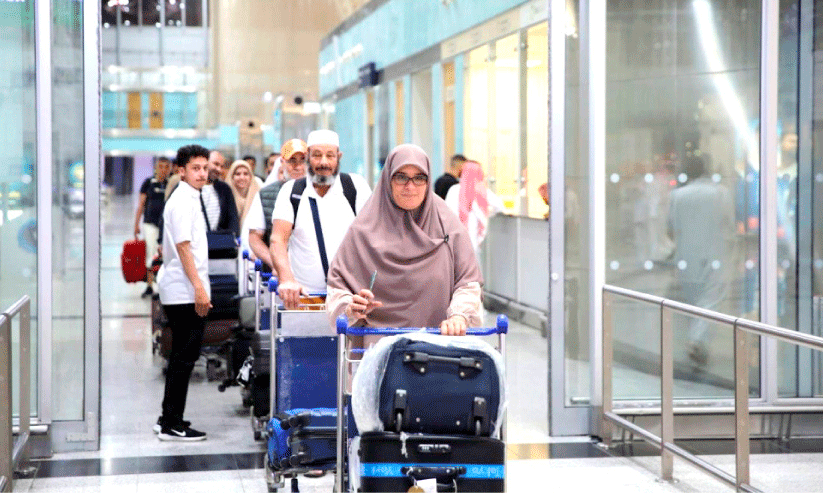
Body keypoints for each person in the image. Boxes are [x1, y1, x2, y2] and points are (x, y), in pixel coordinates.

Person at [326, 144, 483, 336]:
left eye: (419, 178)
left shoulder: (448, 226)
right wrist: (350, 307)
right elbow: (337, 288)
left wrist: (459, 316)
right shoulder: (363, 231)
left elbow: (468, 283)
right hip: (377, 349)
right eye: (401, 177)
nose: (410, 187)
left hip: (439, 348)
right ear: (387, 179)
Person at [270, 130, 371, 308]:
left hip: (349, 297)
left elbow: (372, 236)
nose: (324, 162)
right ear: (308, 157)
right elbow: (278, 239)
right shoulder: (291, 191)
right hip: (304, 296)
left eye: (330, 155)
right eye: (317, 155)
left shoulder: (355, 187)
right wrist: (286, 279)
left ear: (339, 157)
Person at [155, 144, 212, 441]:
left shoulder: (192, 197)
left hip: (186, 288)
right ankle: (171, 424)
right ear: (182, 171)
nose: (202, 173)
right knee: (183, 358)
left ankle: (168, 416)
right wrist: (199, 289)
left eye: (205, 167)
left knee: (182, 357)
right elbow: (182, 248)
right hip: (183, 291)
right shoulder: (181, 201)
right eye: (195, 168)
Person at [667, 155, 734, 372]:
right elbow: (729, 223)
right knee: (711, 299)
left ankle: (698, 342)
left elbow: (670, 228)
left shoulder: (676, 196)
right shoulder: (720, 192)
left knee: (694, 300)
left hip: (685, 257)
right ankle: (697, 341)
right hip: (714, 253)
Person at [245, 139, 308, 271]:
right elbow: (254, 238)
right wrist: (277, 265)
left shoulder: (320, 192)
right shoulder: (265, 194)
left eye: (302, 160)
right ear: (282, 163)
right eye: (292, 161)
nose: (298, 166)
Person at [444, 161, 505, 254]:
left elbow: (446, 213)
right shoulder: (482, 192)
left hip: (452, 240)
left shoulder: (453, 190)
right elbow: (500, 207)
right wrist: (488, 213)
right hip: (473, 244)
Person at [133, 157, 171, 297]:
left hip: (165, 226)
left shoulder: (171, 184)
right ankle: (151, 285)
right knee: (151, 253)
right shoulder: (148, 183)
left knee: (163, 254)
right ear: (156, 168)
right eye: (160, 166)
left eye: (167, 167)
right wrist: (136, 224)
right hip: (149, 224)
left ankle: (161, 284)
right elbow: (141, 204)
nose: (163, 170)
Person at [201, 151, 240, 236]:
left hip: (217, 244)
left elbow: (232, 219)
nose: (219, 169)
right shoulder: (189, 187)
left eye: (222, 166)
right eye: (216, 164)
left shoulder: (224, 189)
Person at [226, 159, 260, 230]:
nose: (242, 178)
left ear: (251, 177)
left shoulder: (259, 196)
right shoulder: (225, 198)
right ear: (232, 177)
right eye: (237, 174)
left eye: (246, 174)